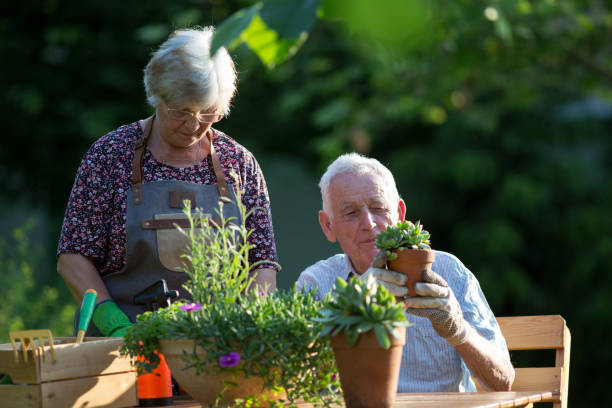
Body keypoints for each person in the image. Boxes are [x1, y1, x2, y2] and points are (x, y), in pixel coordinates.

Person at [57, 27, 278, 337]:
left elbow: (262, 261)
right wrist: (113, 323)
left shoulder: (238, 164)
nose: (194, 124)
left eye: (208, 112)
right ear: (156, 95)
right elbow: (73, 257)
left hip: (214, 348)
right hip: (121, 348)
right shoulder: (110, 156)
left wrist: (249, 327)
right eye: (181, 111)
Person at [297, 153, 514, 392]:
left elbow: (502, 381)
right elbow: (300, 382)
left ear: (400, 214)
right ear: (328, 225)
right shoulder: (317, 283)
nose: (369, 223)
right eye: (351, 213)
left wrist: (458, 330)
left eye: (378, 207)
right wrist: (355, 305)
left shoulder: (448, 271)